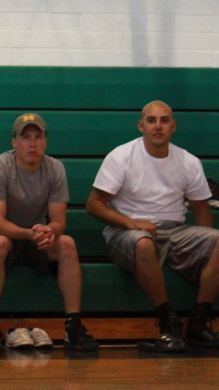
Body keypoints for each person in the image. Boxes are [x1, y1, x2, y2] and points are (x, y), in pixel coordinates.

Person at [87, 100, 219, 352]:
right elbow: (94, 205)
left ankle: (199, 322)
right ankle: (169, 324)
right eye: (151, 120)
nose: (158, 126)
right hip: (126, 231)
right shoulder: (122, 156)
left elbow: (201, 210)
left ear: (173, 126)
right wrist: (131, 222)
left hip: (175, 230)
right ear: (141, 126)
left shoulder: (188, 161)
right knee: (143, 242)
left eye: (164, 120)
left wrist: (208, 257)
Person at [0, 113, 99, 353]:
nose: (32, 144)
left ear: (45, 142)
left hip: (35, 235)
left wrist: (49, 231)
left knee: (67, 244)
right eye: (26, 137)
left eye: (38, 137)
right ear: (14, 142)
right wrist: (31, 234)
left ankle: (73, 327)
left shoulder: (55, 168)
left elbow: (59, 221)